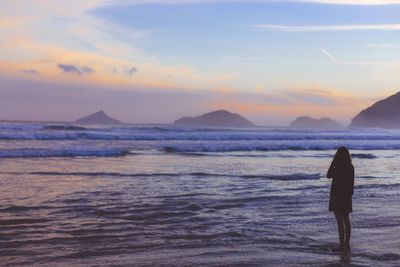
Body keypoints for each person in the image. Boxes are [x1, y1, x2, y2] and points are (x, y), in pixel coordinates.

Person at [327, 146, 355, 251]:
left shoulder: (337, 166)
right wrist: (349, 196)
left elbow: (328, 175)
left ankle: (341, 244)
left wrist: (333, 162)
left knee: (339, 221)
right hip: (346, 195)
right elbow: (352, 184)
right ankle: (347, 243)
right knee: (346, 219)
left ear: (337, 155)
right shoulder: (350, 166)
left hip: (336, 195)